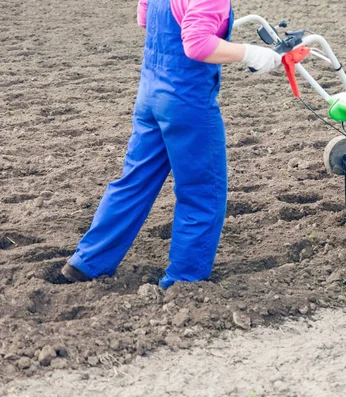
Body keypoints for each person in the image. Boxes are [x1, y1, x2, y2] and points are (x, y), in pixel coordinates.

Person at [60, 0, 281, 289]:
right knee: (203, 191)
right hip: (186, 102)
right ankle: (184, 280)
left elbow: (144, 18)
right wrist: (251, 53)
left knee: (134, 181)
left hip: (151, 92)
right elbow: (197, 45)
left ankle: (86, 262)